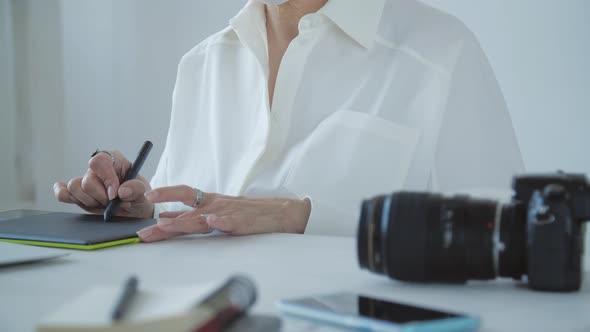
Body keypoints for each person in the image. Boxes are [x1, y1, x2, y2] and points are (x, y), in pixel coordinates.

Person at [53, 0, 524, 242]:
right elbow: (195, 212)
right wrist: (140, 204)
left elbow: (507, 233)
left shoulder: (441, 55)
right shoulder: (200, 64)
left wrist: (303, 216)